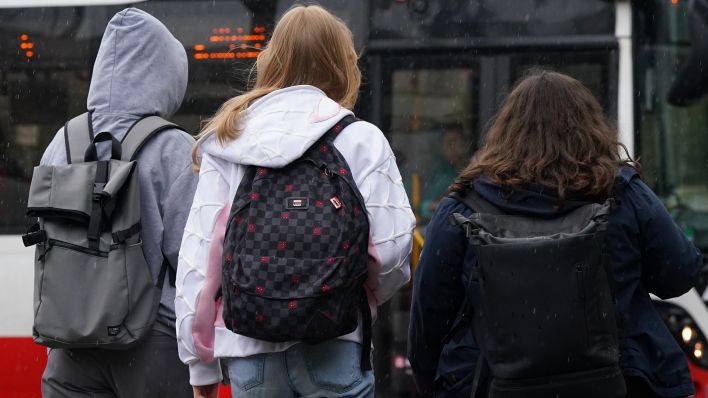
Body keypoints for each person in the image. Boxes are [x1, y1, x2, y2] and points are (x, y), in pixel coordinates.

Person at [408, 70, 701, 398]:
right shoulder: (623, 194)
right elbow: (679, 275)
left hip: (494, 384)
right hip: (620, 381)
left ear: (506, 131)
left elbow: (427, 320)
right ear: (590, 126)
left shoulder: (462, 208)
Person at [175, 5, 415, 398]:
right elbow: (391, 250)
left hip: (249, 352)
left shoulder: (230, 139)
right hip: (335, 346)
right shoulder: (360, 139)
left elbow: (201, 261)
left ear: (272, 59)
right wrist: (344, 294)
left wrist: (200, 366)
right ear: (342, 63)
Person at [39, 8, 196, 397]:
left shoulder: (62, 141)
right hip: (152, 344)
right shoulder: (176, 148)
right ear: (167, 74)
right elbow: (191, 258)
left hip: (69, 340)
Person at [419, 124, 467, 221]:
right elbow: (420, 206)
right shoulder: (432, 171)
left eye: (459, 143)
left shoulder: (469, 166)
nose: (455, 148)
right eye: (450, 143)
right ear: (440, 146)